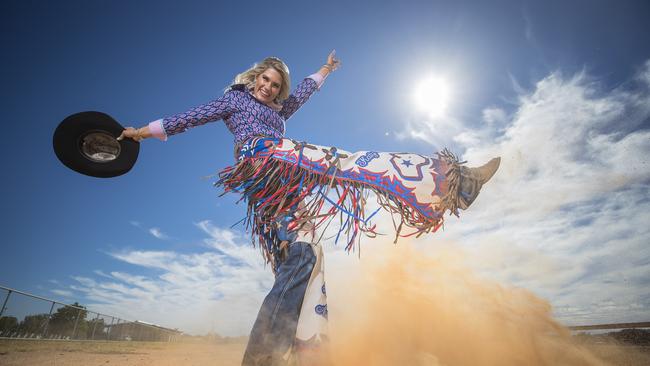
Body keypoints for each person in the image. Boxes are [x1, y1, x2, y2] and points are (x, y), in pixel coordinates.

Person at [118, 51, 500, 365]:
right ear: (253, 79)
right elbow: (189, 117)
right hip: (264, 161)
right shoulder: (233, 100)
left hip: (285, 190)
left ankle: (301, 354)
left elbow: (302, 91)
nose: (268, 88)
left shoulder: (280, 112)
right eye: (264, 80)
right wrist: (139, 132)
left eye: (274, 84)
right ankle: (454, 182)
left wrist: (326, 70)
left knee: (306, 256)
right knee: (346, 161)